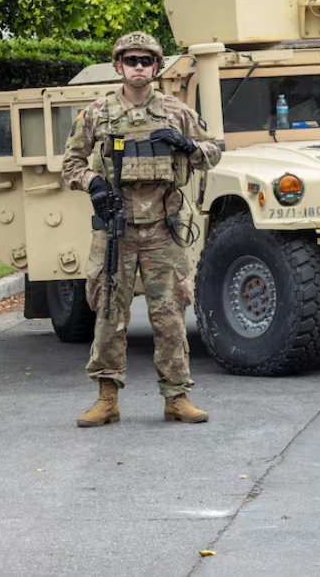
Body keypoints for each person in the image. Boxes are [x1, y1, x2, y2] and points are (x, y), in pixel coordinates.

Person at [61, 31, 221, 428]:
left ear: (155, 67)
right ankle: (106, 397)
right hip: (115, 229)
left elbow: (214, 151)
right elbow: (70, 165)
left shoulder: (175, 111)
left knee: (169, 314)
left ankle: (177, 396)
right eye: (130, 60)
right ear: (118, 66)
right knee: (109, 314)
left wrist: (186, 146)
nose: (138, 67)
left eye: (145, 61)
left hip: (163, 229)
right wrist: (92, 184)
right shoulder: (97, 114)